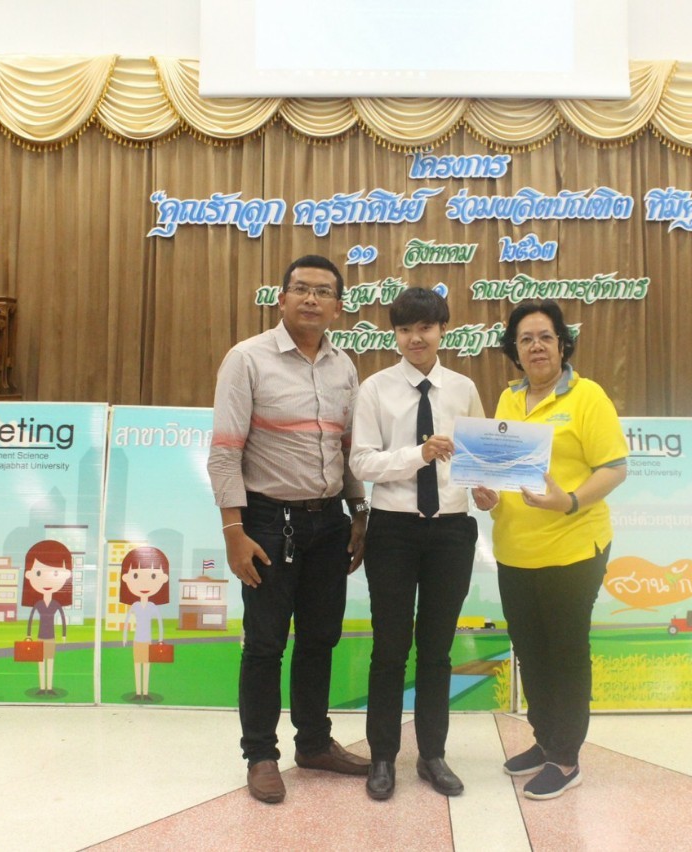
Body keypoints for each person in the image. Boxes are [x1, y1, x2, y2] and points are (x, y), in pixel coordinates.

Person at [208, 254, 371, 804]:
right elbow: (225, 453)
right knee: (265, 644)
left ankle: (315, 744)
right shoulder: (247, 359)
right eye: (301, 288)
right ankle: (260, 754)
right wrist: (233, 530)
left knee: (320, 639)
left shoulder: (344, 367)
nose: (311, 299)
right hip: (266, 523)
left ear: (338, 307)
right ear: (281, 298)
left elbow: (347, 449)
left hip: (329, 522)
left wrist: (360, 512)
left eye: (323, 291)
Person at [472, 299, 627, 801]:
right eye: (526, 339)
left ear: (562, 344)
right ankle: (545, 740)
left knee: (565, 653)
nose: (536, 346)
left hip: (573, 548)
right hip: (515, 549)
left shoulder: (587, 396)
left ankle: (565, 757)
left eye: (545, 337)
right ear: (514, 350)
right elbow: (503, 475)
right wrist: (488, 495)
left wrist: (571, 500)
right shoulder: (508, 399)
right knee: (531, 651)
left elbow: (615, 467)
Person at [349, 287, 484, 801]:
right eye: (404, 330)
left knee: (436, 650)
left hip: (451, 530)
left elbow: (476, 460)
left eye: (425, 328)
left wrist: (485, 488)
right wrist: (418, 454)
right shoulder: (375, 389)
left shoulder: (464, 389)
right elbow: (362, 462)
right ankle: (383, 757)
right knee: (389, 648)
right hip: (394, 530)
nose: (415, 338)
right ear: (395, 335)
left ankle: (432, 755)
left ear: (442, 330)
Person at [22, 539, 73, 697]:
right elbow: (31, 619)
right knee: (40, 661)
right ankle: (41, 687)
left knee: (50, 661)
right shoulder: (38, 604)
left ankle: (49, 687)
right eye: (38, 573)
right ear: (29, 575)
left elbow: (62, 619)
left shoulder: (56, 604)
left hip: (51, 637)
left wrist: (64, 634)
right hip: (40, 637)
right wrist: (28, 634)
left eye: (56, 573)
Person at [120, 546, 172, 702]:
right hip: (137, 640)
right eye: (135, 576)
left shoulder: (152, 606)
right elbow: (127, 622)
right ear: (126, 578)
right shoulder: (135, 606)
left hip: (148, 640)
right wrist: (125, 637)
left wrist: (160, 639)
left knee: (147, 666)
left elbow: (160, 623)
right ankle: (138, 692)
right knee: (137, 665)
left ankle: (145, 692)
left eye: (153, 576)